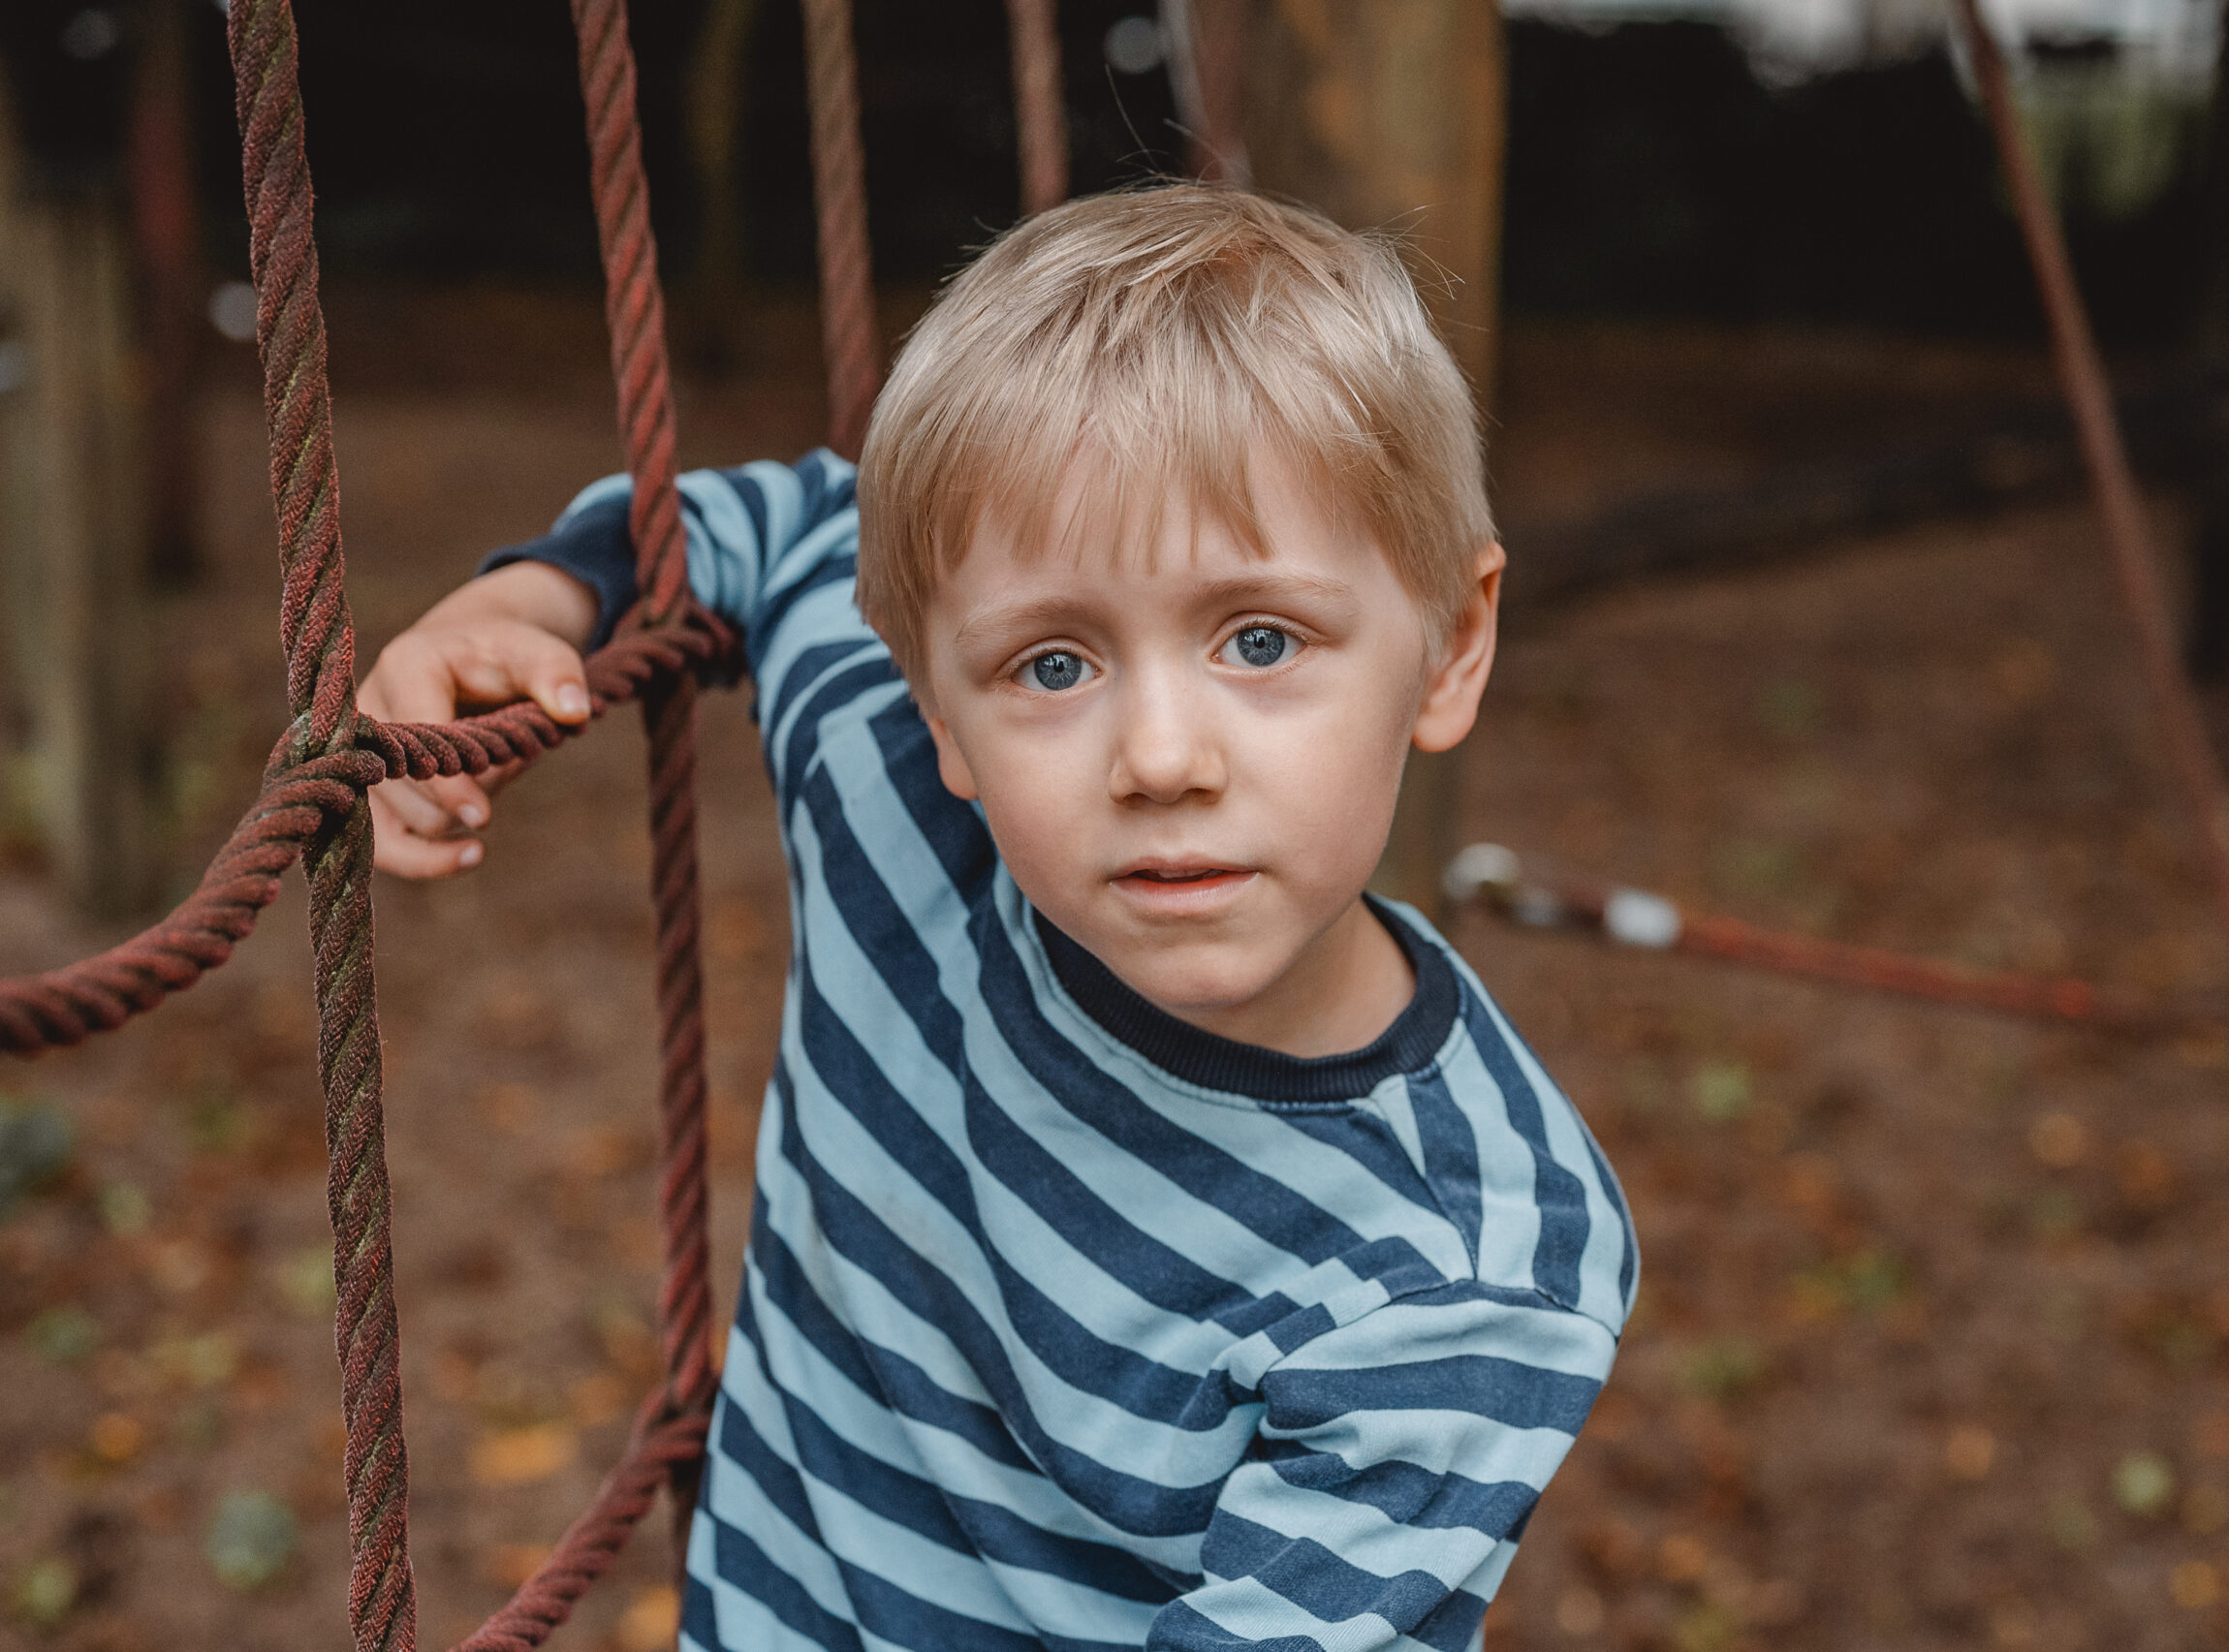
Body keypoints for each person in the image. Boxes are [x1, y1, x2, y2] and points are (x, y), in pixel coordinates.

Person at [360, 185, 1635, 1652]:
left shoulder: (1463, 1267)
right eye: (1053, 665)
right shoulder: (899, 791)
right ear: (936, 703)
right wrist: (529, 603)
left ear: (1452, 647)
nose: (1161, 758)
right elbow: (791, 525)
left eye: (1261, 638)